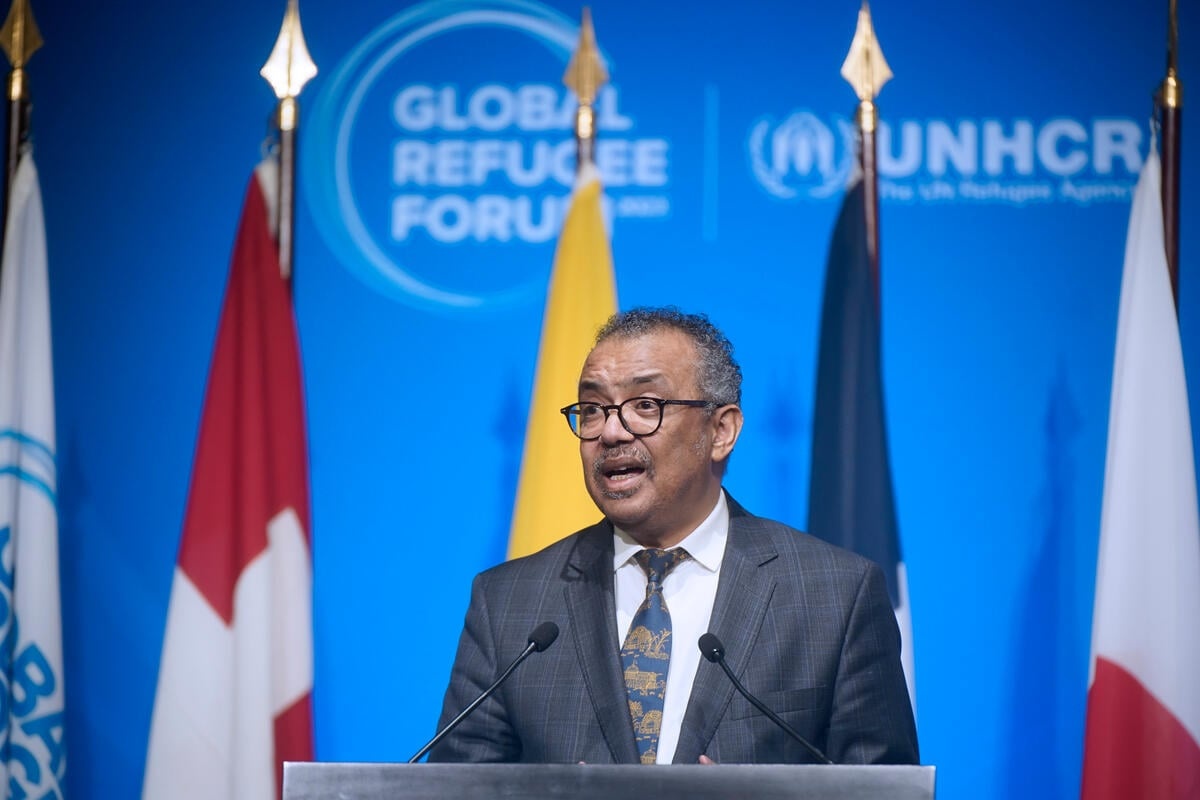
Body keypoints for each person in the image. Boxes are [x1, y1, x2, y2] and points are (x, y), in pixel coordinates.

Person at [428, 307, 918, 765]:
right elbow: (454, 791)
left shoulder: (835, 595)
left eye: (645, 404)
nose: (612, 433)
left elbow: (885, 790)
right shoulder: (510, 604)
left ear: (721, 431)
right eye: (593, 409)